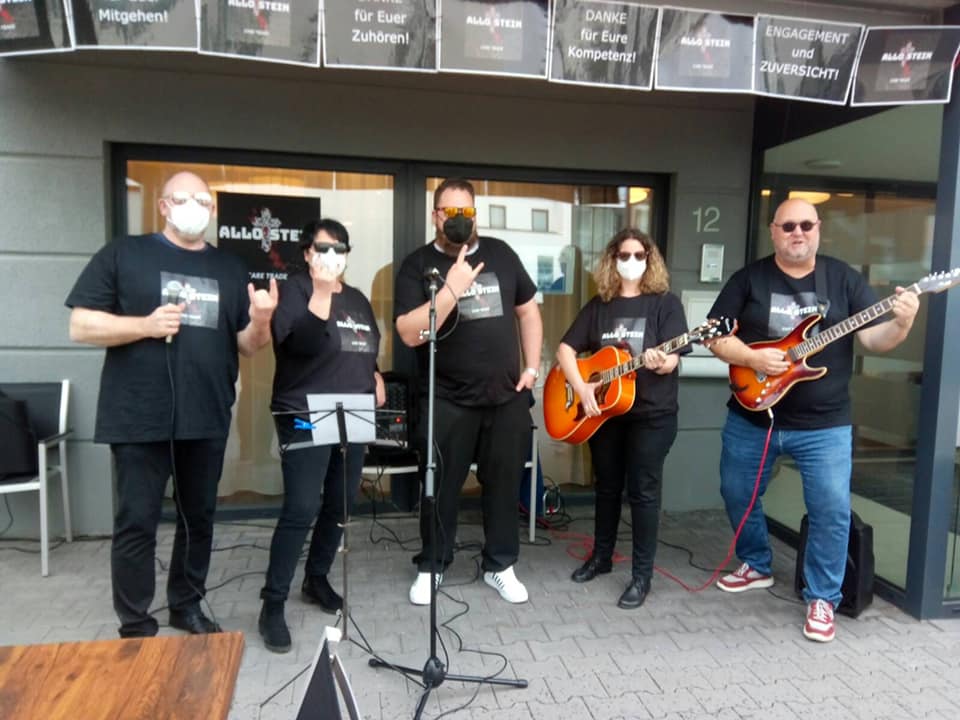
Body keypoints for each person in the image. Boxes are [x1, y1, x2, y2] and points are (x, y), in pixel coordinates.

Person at [66, 171, 278, 638]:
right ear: (163, 206)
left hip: (206, 415)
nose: (196, 208)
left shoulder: (229, 267)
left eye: (204, 200)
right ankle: (136, 621)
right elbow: (80, 326)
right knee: (137, 522)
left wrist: (262, 320)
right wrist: (143, 325)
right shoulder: (125, 254)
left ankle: (186, 604)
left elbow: (248, 344)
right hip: (138, 416)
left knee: (198, 518)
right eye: (185, 199)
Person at [705, 198, 919, 643]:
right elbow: (716, 335)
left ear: (818, 228)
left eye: (805, 224)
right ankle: (757, 563)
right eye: (788, 226)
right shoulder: (749, 279)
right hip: (753, 414)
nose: (797, 232)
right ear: (774, 231)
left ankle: (823, 597)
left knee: (830, 511)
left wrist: (902, 324)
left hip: (824, 424)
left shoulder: (842, 279)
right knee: (736, 492)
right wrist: (751, 357)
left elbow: (875, 340)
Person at [394, 178, 543, 605]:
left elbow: (528, 311)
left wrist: (532, 368)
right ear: (435, 215)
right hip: (446, 397)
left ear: (475, 214)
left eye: (466, 212)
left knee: (503, 482)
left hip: (506, 395)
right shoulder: (418, 264)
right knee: (439, 486)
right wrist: (452, 287)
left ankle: (500, 565)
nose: (459, 219)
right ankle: (433, 564)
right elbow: (408, 333)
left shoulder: (501, 254)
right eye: (450, 212)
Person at [258, 219, 385, 654]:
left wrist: (376, 374)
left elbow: (366, 345)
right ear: (308, 252)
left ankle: (316, 578)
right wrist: (323, 291)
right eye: (323, 248)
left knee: (341, 503)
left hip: (352, 413)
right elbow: (301, 345)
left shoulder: (359, 299)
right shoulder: (294, 290)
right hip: (302, 412)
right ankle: (272, 603)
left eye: (340, 248)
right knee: (301, 506)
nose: (332, 256)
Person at [556, 229, 688, 609]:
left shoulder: (665, 305)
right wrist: (582, 387)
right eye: (624, 254)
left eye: (638, 254)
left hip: (652, 415)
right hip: (607, 414)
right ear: (612, 259)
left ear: (650, 259)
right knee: (607, 487)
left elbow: (673, 358)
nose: (631, 261)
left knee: (643, 493)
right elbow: (566, 349)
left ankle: (641, 575)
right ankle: (601, 557)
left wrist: (661, 361)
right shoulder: (601, 305)